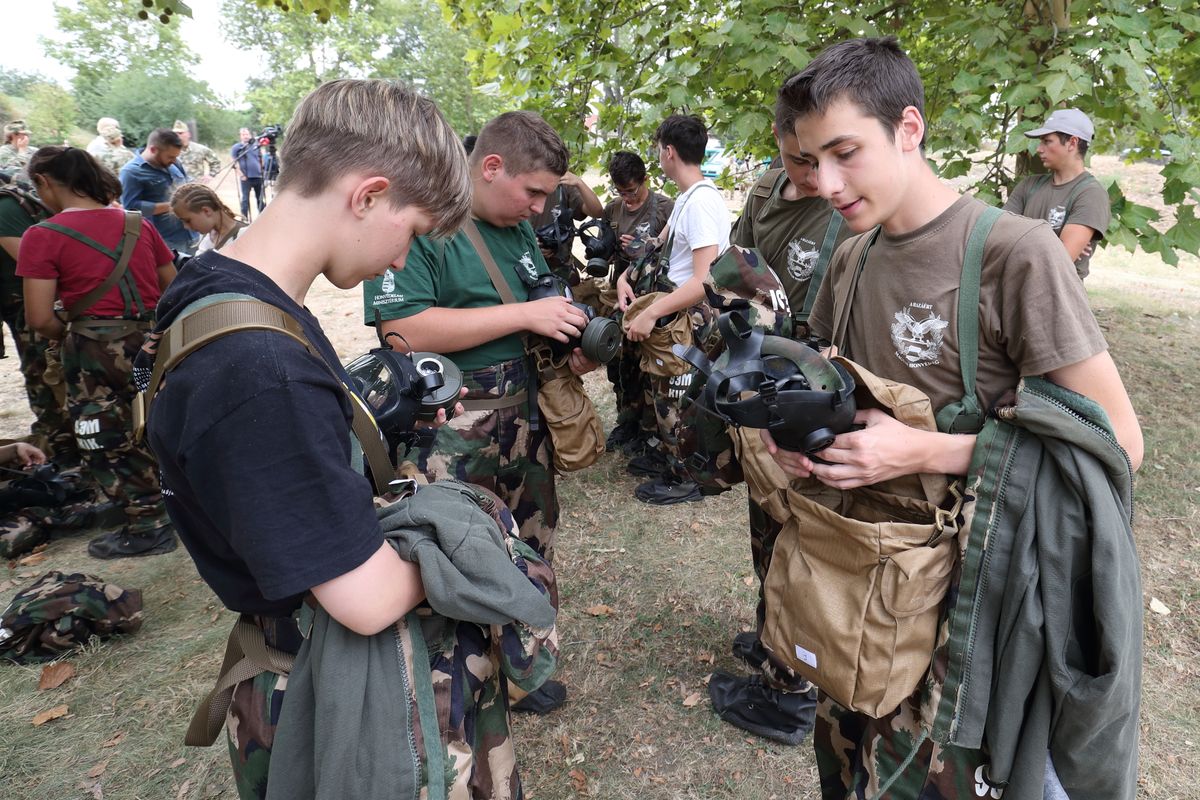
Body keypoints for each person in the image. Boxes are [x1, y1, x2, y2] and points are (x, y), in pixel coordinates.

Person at [142, 79, 556, 800]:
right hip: (340, 694)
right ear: (367, 195)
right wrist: (474, 540)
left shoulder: (218, 293)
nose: (401, 263)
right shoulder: (260, 368)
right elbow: (363, 599)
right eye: (414, 232)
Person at [769, 36, 1143, 797]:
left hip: (969, 621)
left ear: (909, 128)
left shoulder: (1017, 255)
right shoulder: (852, 254)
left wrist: (924, 451)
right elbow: (848, 398)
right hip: (856, 595)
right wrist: (806, 443)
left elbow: (1119, 445)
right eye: (812, 160)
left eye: (846, 152)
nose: (829, 183)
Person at [363, 110, 598, 713]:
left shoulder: (516, 228)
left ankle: (525, 668)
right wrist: (524, 317)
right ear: (491, 167)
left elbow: (542, 297)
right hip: (452, 432)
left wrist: (566, 339)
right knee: (455, 554)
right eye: (534, 191)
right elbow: (404, 327)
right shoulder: (425, 226)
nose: (541, 208)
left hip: (524, 416)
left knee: (529, 540)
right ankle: (452, 684)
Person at [703, 93, 853, 746]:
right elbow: (729, 268)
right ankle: (776, 642)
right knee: (769, 529)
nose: (811, 177)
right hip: (772, 377)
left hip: (819, 396)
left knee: (804, 543)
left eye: (822, 160)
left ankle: (791, 691)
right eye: (797, 158)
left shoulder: (850, 205)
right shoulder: (768, 191)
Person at [17, 146, 178, 559]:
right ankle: (174, 502)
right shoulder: (137, 225)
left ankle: (147, 524)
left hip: (91, 350)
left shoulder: (42, 235)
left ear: (44, 182)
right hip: (152, 344)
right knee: (158, 424)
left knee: (105, 436)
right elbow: (171, 287)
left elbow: (38, 317)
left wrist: (69, 335)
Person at [616, 114, 731, 505]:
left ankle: (688, 478)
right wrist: (626, 276)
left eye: (658, 151)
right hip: (669, 309)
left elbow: (704, 280)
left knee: (677, 400)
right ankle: (667, 458)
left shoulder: (701, 204)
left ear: (668, 152)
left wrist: (651, 313)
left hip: (687, 317)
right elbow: (657, 248)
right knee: (660, 393)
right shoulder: (686, 198)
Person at [0, 175, 84, 470]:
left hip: (30, 304)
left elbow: (33, 259)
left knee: (42, 376)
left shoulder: (5, 208)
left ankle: (61, 447)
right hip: (21, 304)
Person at [599, 150, 673, 454]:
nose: (627, 199)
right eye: (621, 192)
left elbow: (675, 255)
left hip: (655, 297)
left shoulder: (665, 208)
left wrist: (644, 250)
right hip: (622, 295)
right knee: (621, 365)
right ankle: (626, 421)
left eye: (631, 191)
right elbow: (602, 254)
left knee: (649, 370)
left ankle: (648, 431)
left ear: (645, 180)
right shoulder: (613, 210)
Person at [1003, 107, 1111, 279]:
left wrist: (1020, 238)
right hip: (1014, 288)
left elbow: (1057, 263)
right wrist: (1053, 241)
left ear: (1072, 143)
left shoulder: (1091, 194)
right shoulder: (1029, 185)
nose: (1039, 149)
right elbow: (998, 238)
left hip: (1058, 298)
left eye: (1047, 141)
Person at [119, 128, 195, 253]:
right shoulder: (130, 172)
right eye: (170, 157)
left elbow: (186, 182)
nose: (174, 161)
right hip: (164, 240)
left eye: (176, 157)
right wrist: (172, 206)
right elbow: (131, 208)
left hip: (191, 234)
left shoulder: (174, 163)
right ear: (153, 149)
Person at [528, 168, 603, 280]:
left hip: (561, 267)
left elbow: (596, 212)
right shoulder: (519, 181)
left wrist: (579, 183)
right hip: (526, 265)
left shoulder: (563, 184)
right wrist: (531, 245)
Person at [170, 183, 246, 253]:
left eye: (188, 221)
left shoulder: (243, 236)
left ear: (206, 211)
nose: (185, 226)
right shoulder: (207, 237)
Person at [231, 127, 265, 218]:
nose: (245, 136)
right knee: (245, 199)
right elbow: (234, 162)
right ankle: (244, 218)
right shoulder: (237, 147)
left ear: (250, 135)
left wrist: (262, 170)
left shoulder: (256, 145)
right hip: (246, 177)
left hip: (258, 176)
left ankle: (263, 217)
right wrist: (241, 175)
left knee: (260, 198)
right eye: (243, 134)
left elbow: (261, 158)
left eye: (247, 134)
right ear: (240, 136)